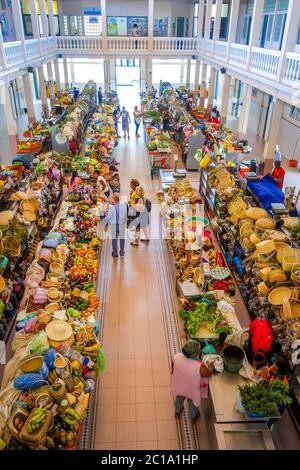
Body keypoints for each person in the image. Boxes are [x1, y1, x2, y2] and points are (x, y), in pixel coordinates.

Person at [170, 340, 213, 424]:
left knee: (179, 398)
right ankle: (193, 417)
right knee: (193, 403)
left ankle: (177, 412)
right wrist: (211, 367)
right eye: (199, 350)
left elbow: (173, 367)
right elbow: (207, 374)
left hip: (180, 386)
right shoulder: (199, 366)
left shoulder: (177, 357)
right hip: (192, 389)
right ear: (195, 354)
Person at [101, 193, 127, 258]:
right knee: (122, 239)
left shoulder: (112, 208)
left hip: (114, 225)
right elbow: (125, 214)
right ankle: (122, 253)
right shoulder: (123, 205)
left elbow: (109, 217)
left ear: (114, 200)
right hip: (121, 225)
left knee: (114, 239)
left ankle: (115, 253)